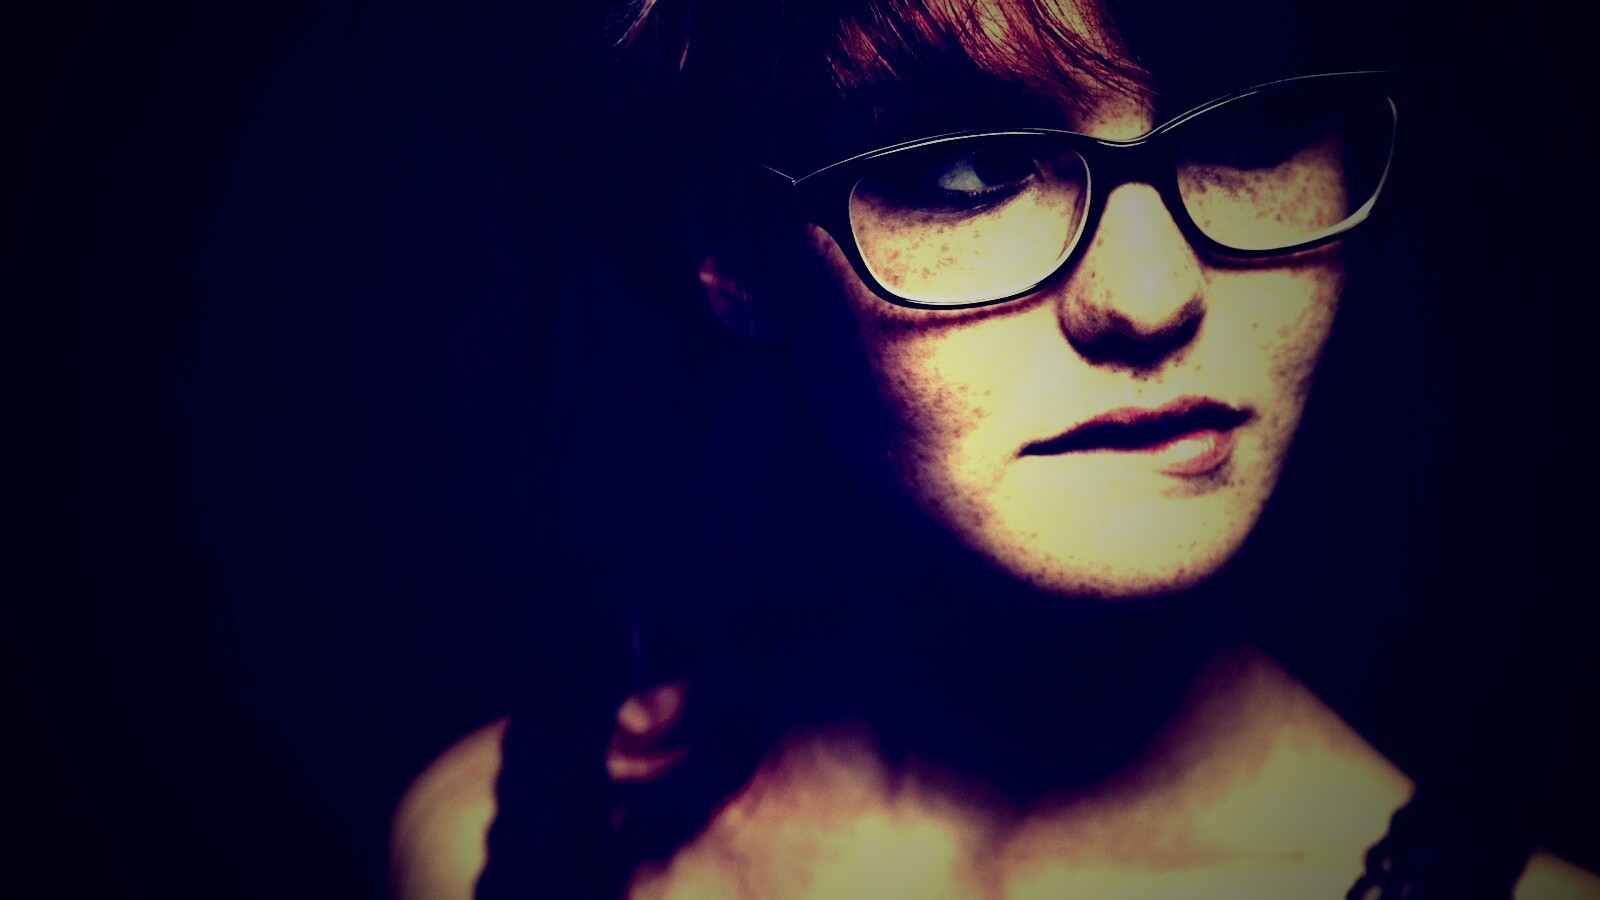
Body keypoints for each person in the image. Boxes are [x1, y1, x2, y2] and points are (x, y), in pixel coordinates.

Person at [388, 0, 1599, 897]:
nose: (1149, 294)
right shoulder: (488, 848)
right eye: (964, 169)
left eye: (1255, 125)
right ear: (734, 252)